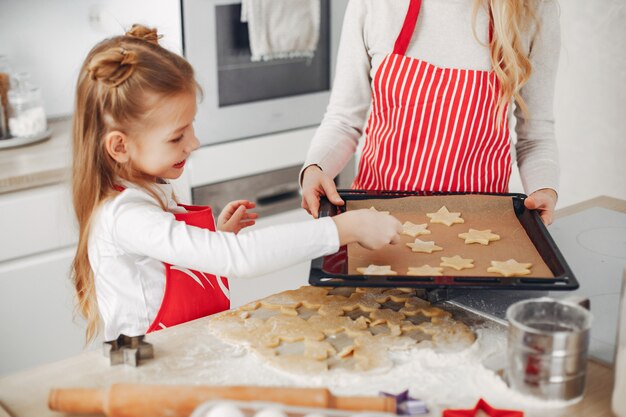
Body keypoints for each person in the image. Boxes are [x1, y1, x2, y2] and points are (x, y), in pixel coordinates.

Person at [71, 24, 402, 343]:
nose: (194, 143)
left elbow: (161, 268)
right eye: (177, 137)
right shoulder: (125, 216)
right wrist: (344, 230)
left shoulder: (148, 188)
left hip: (186, 349)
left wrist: (216, 238)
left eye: (191, 127)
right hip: (152, 373)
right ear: (120, 146)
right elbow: (240, 258)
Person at [301, 0, 560, 225]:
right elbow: (344, 121)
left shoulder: (532, 10)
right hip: (375, 224)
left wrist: (544, 189)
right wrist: (315, 167)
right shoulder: (375, 4)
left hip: (480, 227)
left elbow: (534, 137)